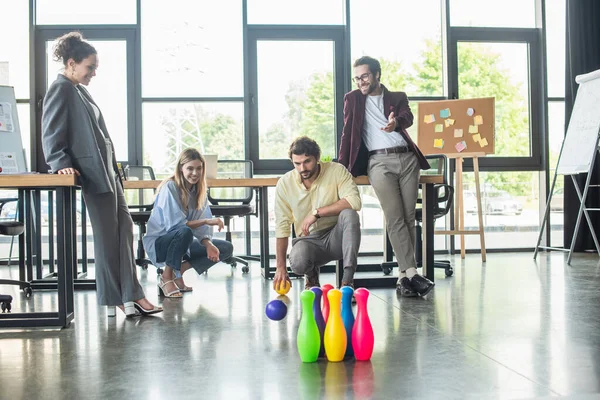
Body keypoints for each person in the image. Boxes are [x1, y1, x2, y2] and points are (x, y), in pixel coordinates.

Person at [41, 32, 162, 317]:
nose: (93, 73)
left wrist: (116, 170)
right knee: (108, 237)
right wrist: (60, 162)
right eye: (90, 67)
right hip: (93, 174)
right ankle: (118, 297)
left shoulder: (80, 90)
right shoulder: (61, 88)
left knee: (125, 229)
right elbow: (51, 131)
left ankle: (130, 293)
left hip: (107, 173)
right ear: (71, 63)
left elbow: (98, 136)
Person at [338, 56, 435, 297]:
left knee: (408, 217)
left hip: (407, 159)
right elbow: (347, 132)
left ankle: (403, 278)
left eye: (365, 76)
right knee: (394, 217)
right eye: (357, 77)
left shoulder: (397, 97)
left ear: (377, 74)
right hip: (378, 162)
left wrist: (396, 123)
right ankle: (412, 272)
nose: (361, 81)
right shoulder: (352, 99)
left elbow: (407, 117)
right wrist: (342, 166)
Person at [272, 136, 362, 292]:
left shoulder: (336, 171)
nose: (302, 168)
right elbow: (282, 225)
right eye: (297, 164)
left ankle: (347, 283)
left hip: (336, 237)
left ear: (317, 158)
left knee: (350, 214)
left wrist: (317, 213)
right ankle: (311, 276)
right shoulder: (285, 183)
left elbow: (354, 201)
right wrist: (280, 267)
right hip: (309, 241)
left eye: (307, 161)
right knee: (298, 262)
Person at [143, 148, 233, 298]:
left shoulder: (199, 191)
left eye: (199, 168)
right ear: (181, 168)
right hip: (161, 243)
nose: (195, 173)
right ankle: (166, 277)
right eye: (190, 168)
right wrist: (206, 221)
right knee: (184, 232)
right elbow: (176, 227)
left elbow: (201, 230)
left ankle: (178, 273)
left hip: (184, 240)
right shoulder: (170, 187)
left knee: (224, 248)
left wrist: (208, 244)